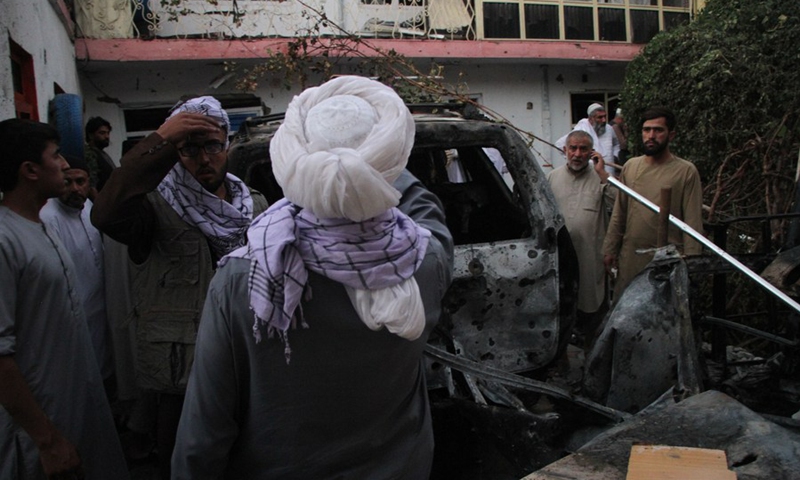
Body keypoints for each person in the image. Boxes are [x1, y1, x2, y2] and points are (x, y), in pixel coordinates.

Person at [171, 76, 454, 478]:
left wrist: (352, 168)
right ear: (390, 161)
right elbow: (427, 213)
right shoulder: (424, 260)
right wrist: (371, 164)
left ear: (291, 160)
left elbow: (202, 437)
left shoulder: (242, 277)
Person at [91, 96, 268, 478]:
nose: (204, 159)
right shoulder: (153, 207)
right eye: (189, 149)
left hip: (247, 362)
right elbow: (106, 214)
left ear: (227, 144)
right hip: (183, 377)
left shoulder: (253, 204)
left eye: (213, 146)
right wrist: (161, 139)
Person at [0, 119, 128, 479]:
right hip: (36, 430)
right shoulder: (5, 240)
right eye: (55, 156)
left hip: (70, 408)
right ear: (30, 170)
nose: (64, 164)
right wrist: (47, 440)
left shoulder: (40, 227)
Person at [602, 106, 704, 300]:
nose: (651, 136)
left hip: (666, 262)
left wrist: (692, 262)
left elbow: (692, 222)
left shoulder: (685, 171)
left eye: (658, 130)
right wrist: (610, 249)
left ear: (671, 135)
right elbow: (619, 212)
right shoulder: (631, 166)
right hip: (631, 259)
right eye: (646, 130)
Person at [40, 154, 114, 388]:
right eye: (67, 182)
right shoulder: (48, 218)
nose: (74, 189)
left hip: (98, 310)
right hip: (71, 317)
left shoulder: (88, 208)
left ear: (89, 182)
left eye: (80, 182)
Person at [547, 130, 616, 342]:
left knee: (591, 311)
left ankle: (590, 352)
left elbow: (618, 206)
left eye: (583, 149)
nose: (577, 154)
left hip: (590, 258)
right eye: (573, 148)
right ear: (565, 150)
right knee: (561, 308)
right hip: (560, 259)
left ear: (591, 152)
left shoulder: (601, 179)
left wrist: (603, 175)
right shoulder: (552, 178)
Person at [557, 103, 621, 177]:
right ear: (591, 119)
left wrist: (615, 156)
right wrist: (575, 160)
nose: (604, 120)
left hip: (609, 171)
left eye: (605, 116)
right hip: (590, 173)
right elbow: (559, 145)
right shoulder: (581, 130)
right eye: (600, 117)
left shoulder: (609, 129)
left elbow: (616, 144)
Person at [84, 116, 116, 191]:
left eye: (108, 133)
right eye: (102, 133)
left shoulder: (102, 153)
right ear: (91, 135)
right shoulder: (90, 154)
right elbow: (91, 185)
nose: (107, 136)